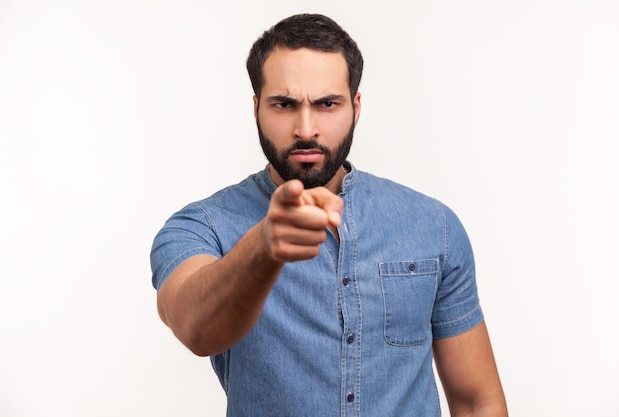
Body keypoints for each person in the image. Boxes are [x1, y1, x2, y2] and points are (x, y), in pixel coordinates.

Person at [150, 13, 508, 417]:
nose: (306, 129)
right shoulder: (202, 226)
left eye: (327, 104)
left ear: (355, 107)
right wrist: (263, 247)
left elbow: (478, 401)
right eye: (284, 104)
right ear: (256, 108)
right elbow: (194, 327)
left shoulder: (434, 226)